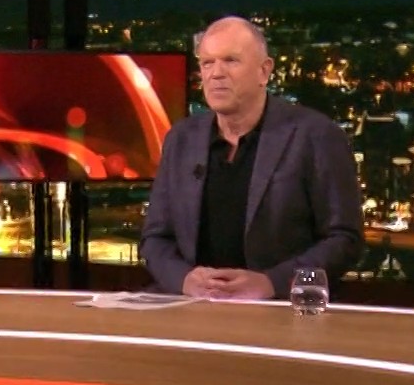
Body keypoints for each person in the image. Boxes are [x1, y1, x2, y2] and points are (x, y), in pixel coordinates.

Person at [140, 16, 363, 299]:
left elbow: (345, 239)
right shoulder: (181, 138)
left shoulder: (316, 135)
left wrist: (271, 283)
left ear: (264, 71)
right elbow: (154, 239)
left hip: (281, 307)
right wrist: (184, 279)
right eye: (207, 63)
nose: (216, 73)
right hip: (191, 304)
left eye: (231, 61)